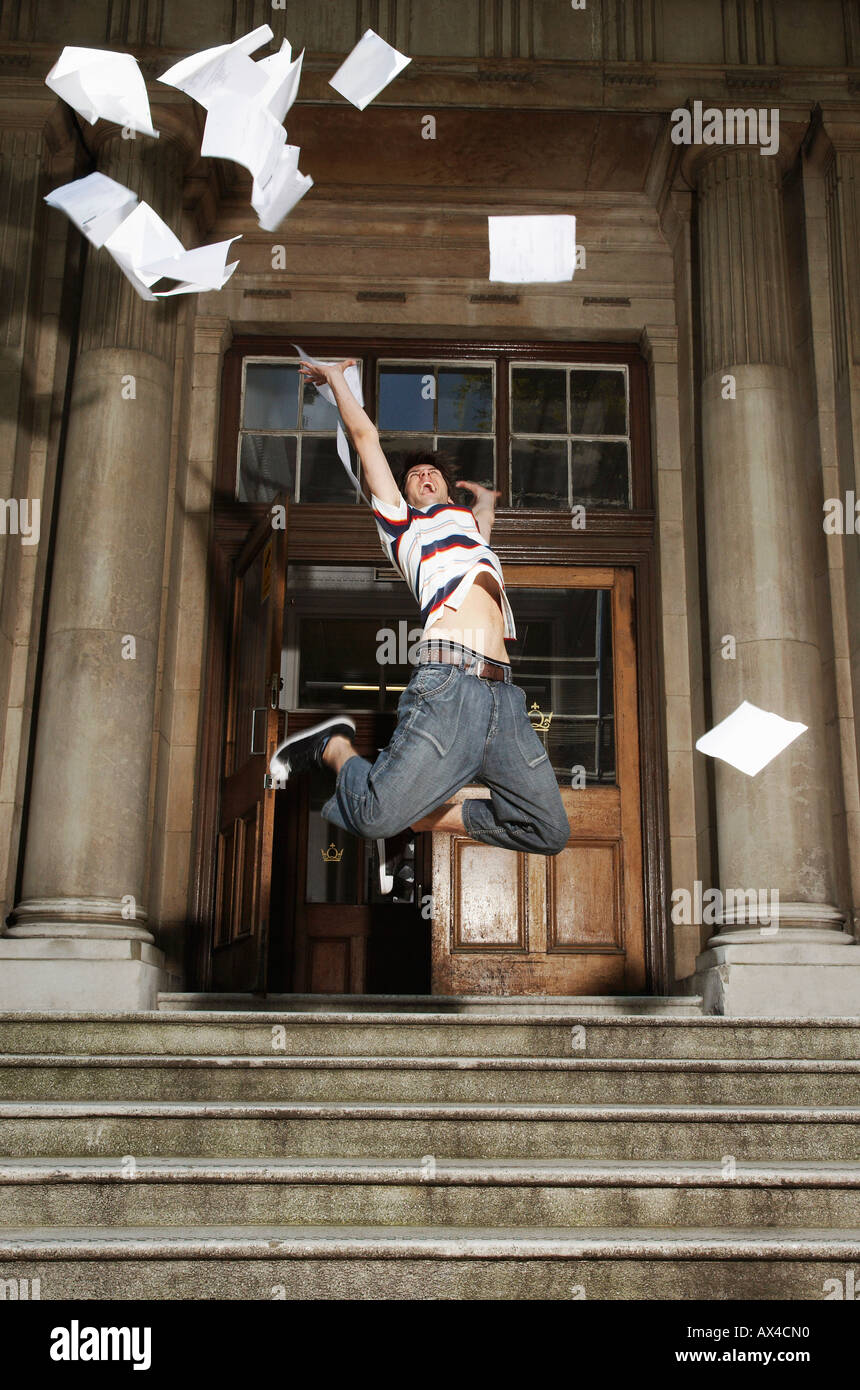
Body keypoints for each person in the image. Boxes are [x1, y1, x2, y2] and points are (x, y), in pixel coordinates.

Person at [270, 355, 570, 859]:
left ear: (448, 488)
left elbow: (482, 535)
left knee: (548, 831)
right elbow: (365, 438)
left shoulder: (468, 529)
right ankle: (334, 747)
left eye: (433, 473)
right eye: (415, 475)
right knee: (374, 817)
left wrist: (486, 504)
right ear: (404, 492)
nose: (425, 476)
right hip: (448, 686)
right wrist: (338, 381)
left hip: (506, 699)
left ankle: (420, 817)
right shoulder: (403, 527)